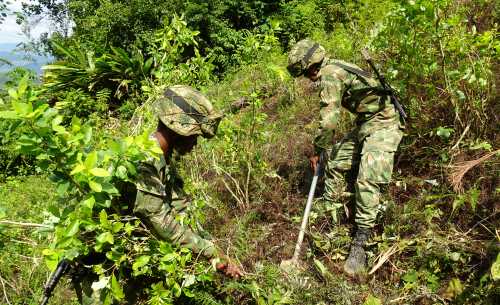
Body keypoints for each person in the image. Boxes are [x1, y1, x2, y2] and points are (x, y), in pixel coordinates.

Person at [74, 85, 242, 304]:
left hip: (127, 259)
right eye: (194, 136)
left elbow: (180, 207)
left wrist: (212, 247)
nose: (195, 143)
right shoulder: (143, 161)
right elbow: (161, 223)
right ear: (179, 130)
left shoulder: (163, 158)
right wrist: (209, 252)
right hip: (99, 267)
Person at [287, 39, 404, 275]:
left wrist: (317, 149)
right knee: (336, 159)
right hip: (366, 124)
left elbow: (329, 120)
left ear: (311, 67)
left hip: (385, 123)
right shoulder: (334, 66)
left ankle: (361, 241)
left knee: (367, 178)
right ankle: (331, 207)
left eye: (305, 73)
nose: (307, 78)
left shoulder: (330, 75)